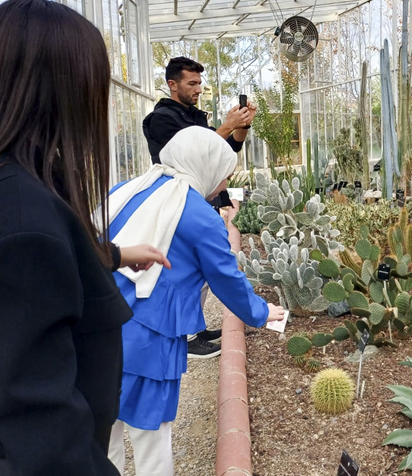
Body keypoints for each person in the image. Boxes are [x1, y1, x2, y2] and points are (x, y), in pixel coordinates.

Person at [0, 1, 168, 474]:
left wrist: (109, 255)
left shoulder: (23, 190)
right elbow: (42, 440)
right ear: (64, 91)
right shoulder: (25, 225)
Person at [105, 126, 285, 476]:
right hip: (149, 334)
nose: (221, 185)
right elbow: (227, 280)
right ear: (205, 166)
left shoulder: (124, 190)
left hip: (97, 326)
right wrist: (264, 313)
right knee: (150, 438)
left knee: (102, 433)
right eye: (223, 176)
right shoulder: (199, 215)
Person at [143, 56, 258, 358]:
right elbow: (191, 154)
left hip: (203, 198)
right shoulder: (161, 119)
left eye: (199, 83)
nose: (197, 89)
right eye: (191, 83)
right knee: (186, 268)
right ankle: (186, 336)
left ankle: (197, 326)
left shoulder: (195, 116)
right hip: (181, 200)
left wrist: (241, 127)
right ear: (172, 84)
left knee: (201, 272)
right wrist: (224, 126)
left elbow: (223, 151)